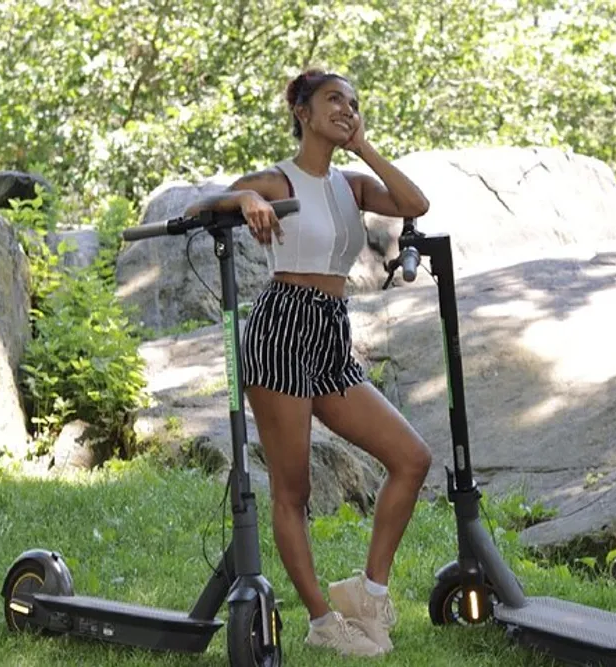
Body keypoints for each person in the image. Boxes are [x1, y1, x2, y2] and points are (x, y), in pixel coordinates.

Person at [185, 68, 433, 658]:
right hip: (281, 327)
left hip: (329, 332)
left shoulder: (350, 184)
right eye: (333, 100)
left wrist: (364, 146)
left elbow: (414, 204)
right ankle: (323, 620)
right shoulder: (276, 180)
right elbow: (202, 207)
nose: (345, 109)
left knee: (411, 458)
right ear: (301, 110)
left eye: (353, 102)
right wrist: (244, 198)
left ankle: (366, 593)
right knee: (293, 490)